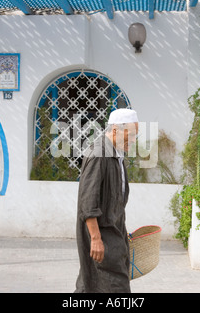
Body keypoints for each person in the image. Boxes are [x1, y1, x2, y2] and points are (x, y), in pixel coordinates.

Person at [75, 108, 139, 293]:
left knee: (91, 284)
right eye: (131, 135)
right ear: (115, 130)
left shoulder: (117, 155)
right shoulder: (98, 154)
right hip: (101, 238)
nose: (134, 140)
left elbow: (116, 202)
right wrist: (95, 239)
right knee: (114, 285)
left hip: (115, 235)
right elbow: (88, 203)